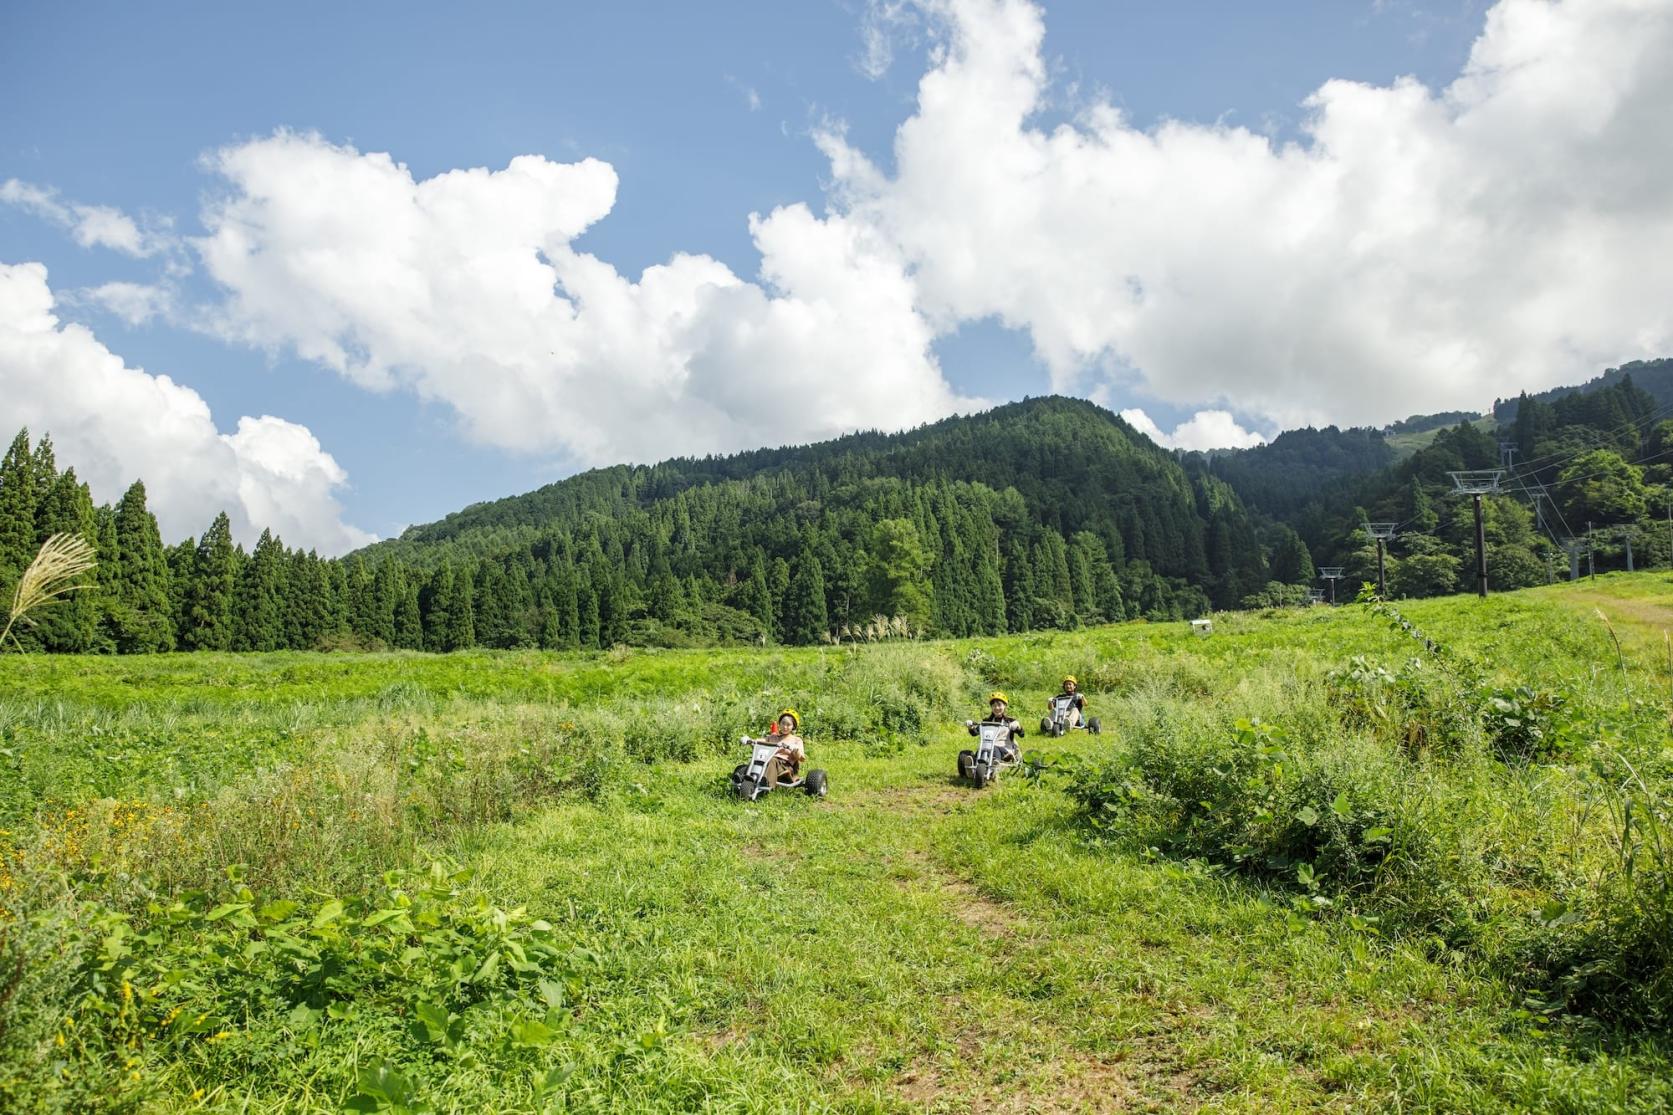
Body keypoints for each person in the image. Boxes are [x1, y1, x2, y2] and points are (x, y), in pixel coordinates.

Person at [962, 691, 1024, 777]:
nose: (997, 708)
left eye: (999, 705)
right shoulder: (986, 721)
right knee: (969, 753)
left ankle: (995, 766)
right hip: (986, 748)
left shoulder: (1011, 721)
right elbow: (975, 733)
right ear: (991, 707)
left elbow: (1022, 734)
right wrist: (970, 727)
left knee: (993, 748)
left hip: (1004, 749)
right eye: (994, 705)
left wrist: (1018, 727)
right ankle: (971, 766)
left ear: (1005, 706)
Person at [761, 709, 805, 786]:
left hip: (785, 766)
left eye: (788, 725)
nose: (785, 727)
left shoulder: (796, 740)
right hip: (769, 761)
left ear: (793, 726)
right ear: (779, 724)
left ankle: (767, 785)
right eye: (783, 723)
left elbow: (801, 758)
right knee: (758, 759)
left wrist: (795, 751)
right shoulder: (773, 737)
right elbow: (762, 740)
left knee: (772, 760)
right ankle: (744, 776)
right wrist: (750, 740)